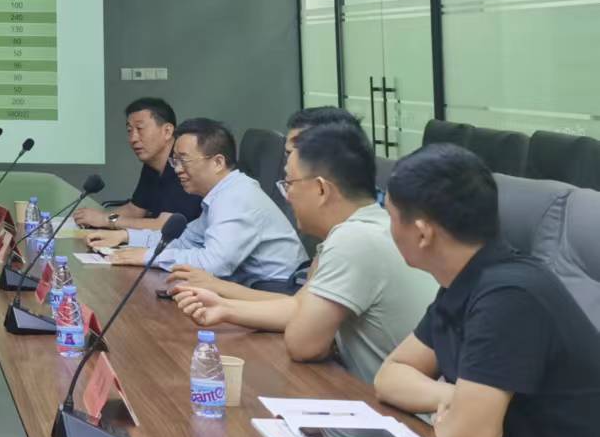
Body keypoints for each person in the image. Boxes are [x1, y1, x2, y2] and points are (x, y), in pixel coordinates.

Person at [374, 145, 600, 437]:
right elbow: (391, 375)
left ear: (422, 233)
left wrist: (462, 412)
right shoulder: (466, 283)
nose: (388, 226)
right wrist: (452, 397)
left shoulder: (510, 296)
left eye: (390, 214)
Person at [171, 123, 434, 382]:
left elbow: (302, 345)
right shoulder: (365, 226)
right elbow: (298, 307)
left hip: (389, 404)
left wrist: (324, 339)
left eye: (288, 184)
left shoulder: (354, 240)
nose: (286, 196)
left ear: (321, 189)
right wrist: (225, 308)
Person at [83, 117, 304, 283]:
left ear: (218, 162)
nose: (177, 169)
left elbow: (213, 264)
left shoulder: (237, 197)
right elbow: (184, 240)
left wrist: (148, 256)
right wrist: (126, 236)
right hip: (248, 291)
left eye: (184, 160)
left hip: (275, 294)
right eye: (175, 161)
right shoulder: (220, 194)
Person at [74, 98, 201, 230]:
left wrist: (105, 220)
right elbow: (135, 210)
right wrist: (96, 218)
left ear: (167, 131)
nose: (133, 138)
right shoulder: (152, 164)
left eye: (140, 128)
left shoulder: (184, 164)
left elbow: (164, 225)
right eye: (129, 130)